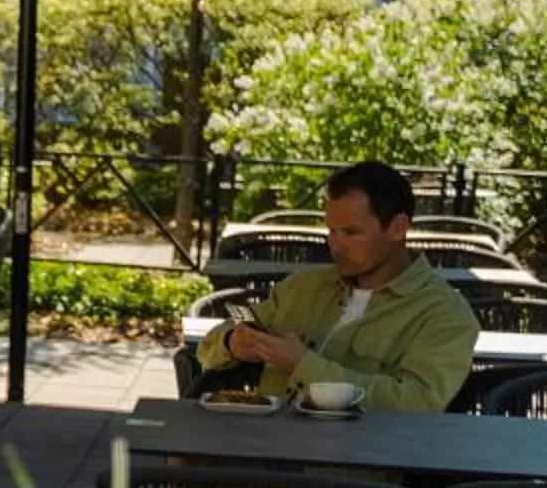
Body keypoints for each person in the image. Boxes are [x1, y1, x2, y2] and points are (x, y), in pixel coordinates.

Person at [192, 159, 477, 413]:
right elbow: (209, 345)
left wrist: (302, 364)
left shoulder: (445, 314)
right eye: (331, 231)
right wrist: (233, 342)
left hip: (357, 466)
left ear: (398, 228)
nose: (335, 244)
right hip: (263, 449)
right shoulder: (303, 288)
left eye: (351, 232)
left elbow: (417, 403)